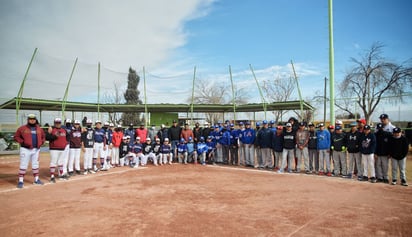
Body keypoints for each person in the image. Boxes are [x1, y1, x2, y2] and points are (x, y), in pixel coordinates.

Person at [14, 114, 46, 188]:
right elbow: (16, 136)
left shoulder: (39, 129)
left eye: (33, 119)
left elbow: (43, 136)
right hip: (25, 149)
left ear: (35, 120)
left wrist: (41, 142)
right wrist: (22, 142)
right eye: (30, 119)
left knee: (35, 164)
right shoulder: (22, 128)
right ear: (28, 120)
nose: (32, 120)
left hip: (36, 149)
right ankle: (21, 181)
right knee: (23, 165)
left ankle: (36, 180)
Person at [46, 118, 69, 183]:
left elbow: (68, 137)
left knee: (60, 162)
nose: (58, 124)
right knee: (53, 162)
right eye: (56, 122)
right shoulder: (52, 129)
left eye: (59, 122)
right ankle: (52, 176)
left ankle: (61, 175)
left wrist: (65, 143)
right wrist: (54, 136)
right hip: (54, 149)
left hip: (62, 148)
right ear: (54, 123)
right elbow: (47, 137)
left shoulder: (64, 130)